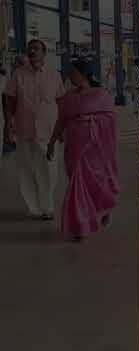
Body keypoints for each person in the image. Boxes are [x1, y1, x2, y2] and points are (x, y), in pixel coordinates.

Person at [46, 59, 119, 241]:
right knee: (76, 185)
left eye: (74, 73)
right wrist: (51, 142)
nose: (70, 76)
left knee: (94, 182)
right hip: (74, 146)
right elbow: (61, 121)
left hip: (95, 149)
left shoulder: (101, 95)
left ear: (84, 74)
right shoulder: (68, 97)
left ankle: (102, 209)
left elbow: (110, 120)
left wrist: (94, 124)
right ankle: (80, 224)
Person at [4, 39, 66, 220]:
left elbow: (61, 102)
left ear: (44, 53)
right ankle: (34, 208)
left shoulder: (54, 75)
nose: (32, 51)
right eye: (30, 48)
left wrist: (61, 129)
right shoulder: (18, 75)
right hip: (24, 130)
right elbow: (10, 103)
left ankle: (47, 207)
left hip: (48, 132)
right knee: (26, 169)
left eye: (36, 48)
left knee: (48, 170)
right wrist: (8, 127)